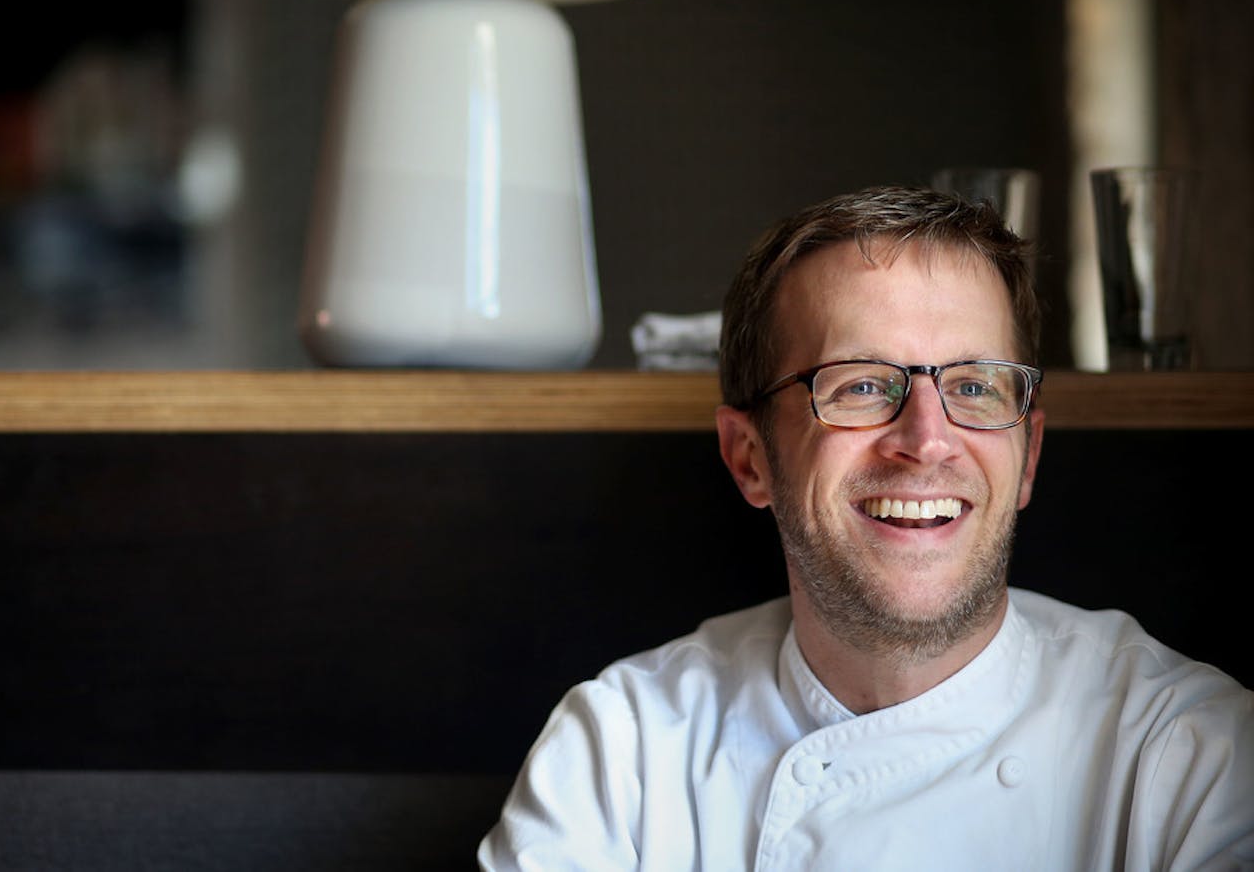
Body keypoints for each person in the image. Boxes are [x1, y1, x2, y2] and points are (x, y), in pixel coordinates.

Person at [478, 186, 1254, 870]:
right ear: (749, 458)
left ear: (1027, 458)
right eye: (858, 385)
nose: (926, 438)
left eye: (976, 385)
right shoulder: (626, 754)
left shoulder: (1187, 755)